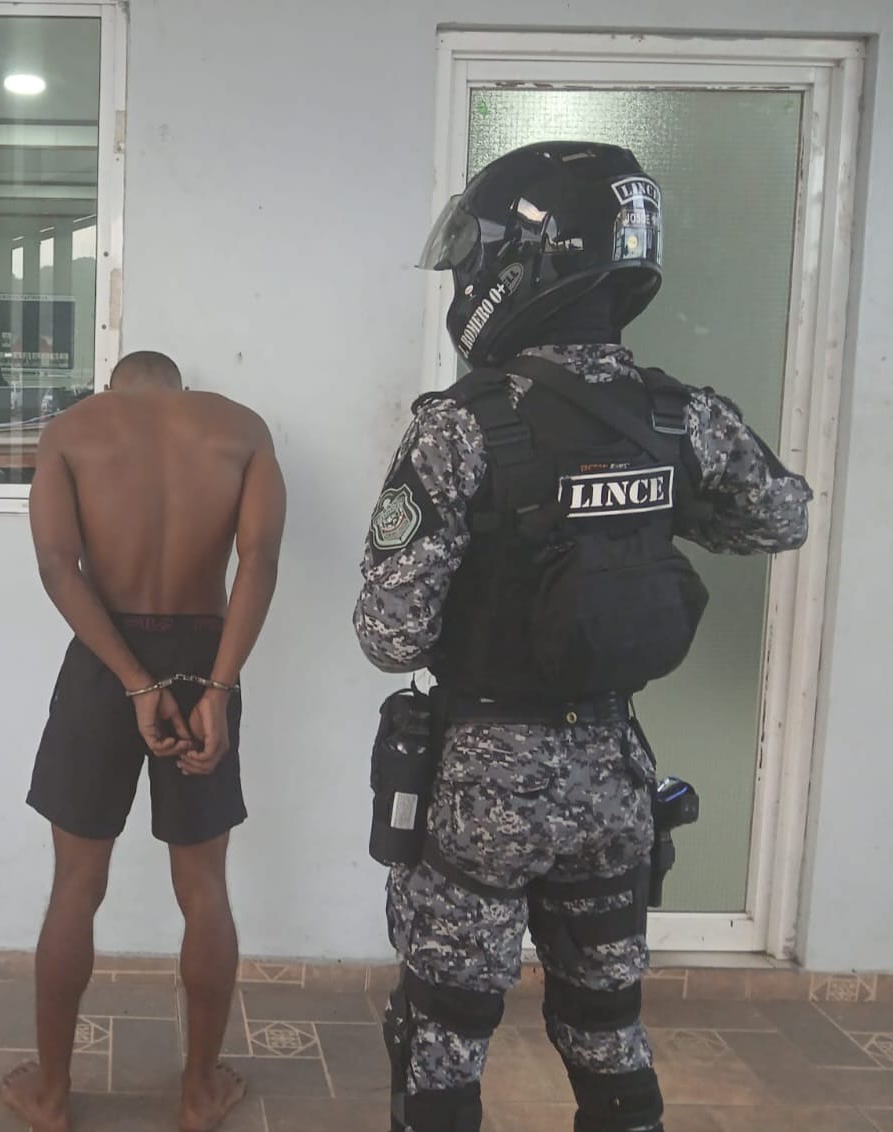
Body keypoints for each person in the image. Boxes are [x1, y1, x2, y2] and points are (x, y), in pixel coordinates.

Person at [354, 141, 812, 1132]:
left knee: (445, 1037)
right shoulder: (681, 416)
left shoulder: (462, 425)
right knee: (607, 1029)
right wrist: (647, 511)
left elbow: (390, 634)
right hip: (613, 778)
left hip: (483, 790)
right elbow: (779, 518)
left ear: (522, 262)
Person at [4, 350, 287, 1132]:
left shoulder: (72, 430)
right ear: (181, 389)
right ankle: (199, 1093)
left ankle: (50, 1094)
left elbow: (57, 565)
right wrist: (219, 688)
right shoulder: (241, 429)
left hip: (105, 661)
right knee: (204, 888)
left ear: (113, 388)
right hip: (203, 655)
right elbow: (259, 560)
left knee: (75, 884)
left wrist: (132, 680)